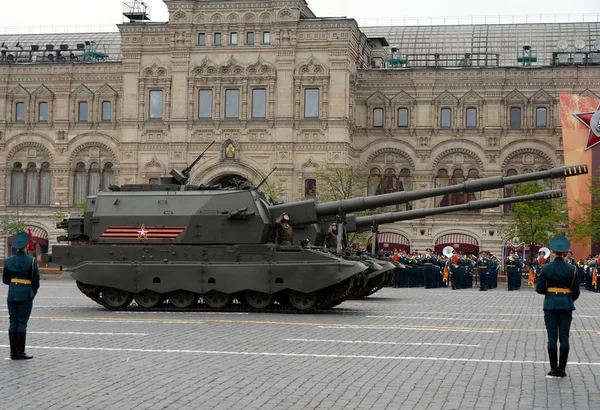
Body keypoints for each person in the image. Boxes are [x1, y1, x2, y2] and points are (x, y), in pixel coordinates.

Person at [535, 235, 580, 378]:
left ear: (553, 252)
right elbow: (576, 292)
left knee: (552, 337)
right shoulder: (572, 269)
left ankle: (554, 369)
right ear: (566, 253)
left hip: (550, 304)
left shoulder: (546, 267)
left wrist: (551, 295)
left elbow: (540, 288)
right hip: (566, 304)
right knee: (565, 337)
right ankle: (562, 369)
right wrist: (566, 298)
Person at [3, 231, 40, 360]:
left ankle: (13, 352)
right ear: (25, 246)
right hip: (26, 293)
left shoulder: (8, 260)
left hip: (12, 293)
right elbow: (36, 280)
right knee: (22, 322)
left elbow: (5, 280)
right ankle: (20, 352)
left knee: (13, 322)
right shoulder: (31, 261)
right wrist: (31, 292)